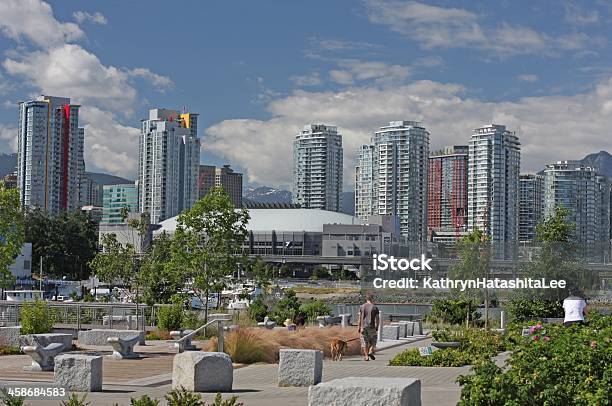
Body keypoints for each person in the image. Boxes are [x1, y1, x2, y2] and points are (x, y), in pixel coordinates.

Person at [358, 293, 380, 361]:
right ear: (372, 298)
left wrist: (359, 327)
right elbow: (377, 319)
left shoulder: (362, 307)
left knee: (364, 342)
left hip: (363, 327)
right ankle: (370, 351)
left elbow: (359, 318)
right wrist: (377, 326)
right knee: (373, 340)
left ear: (366, 298)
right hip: (371, 326)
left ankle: (366, 356)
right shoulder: (375, 307)